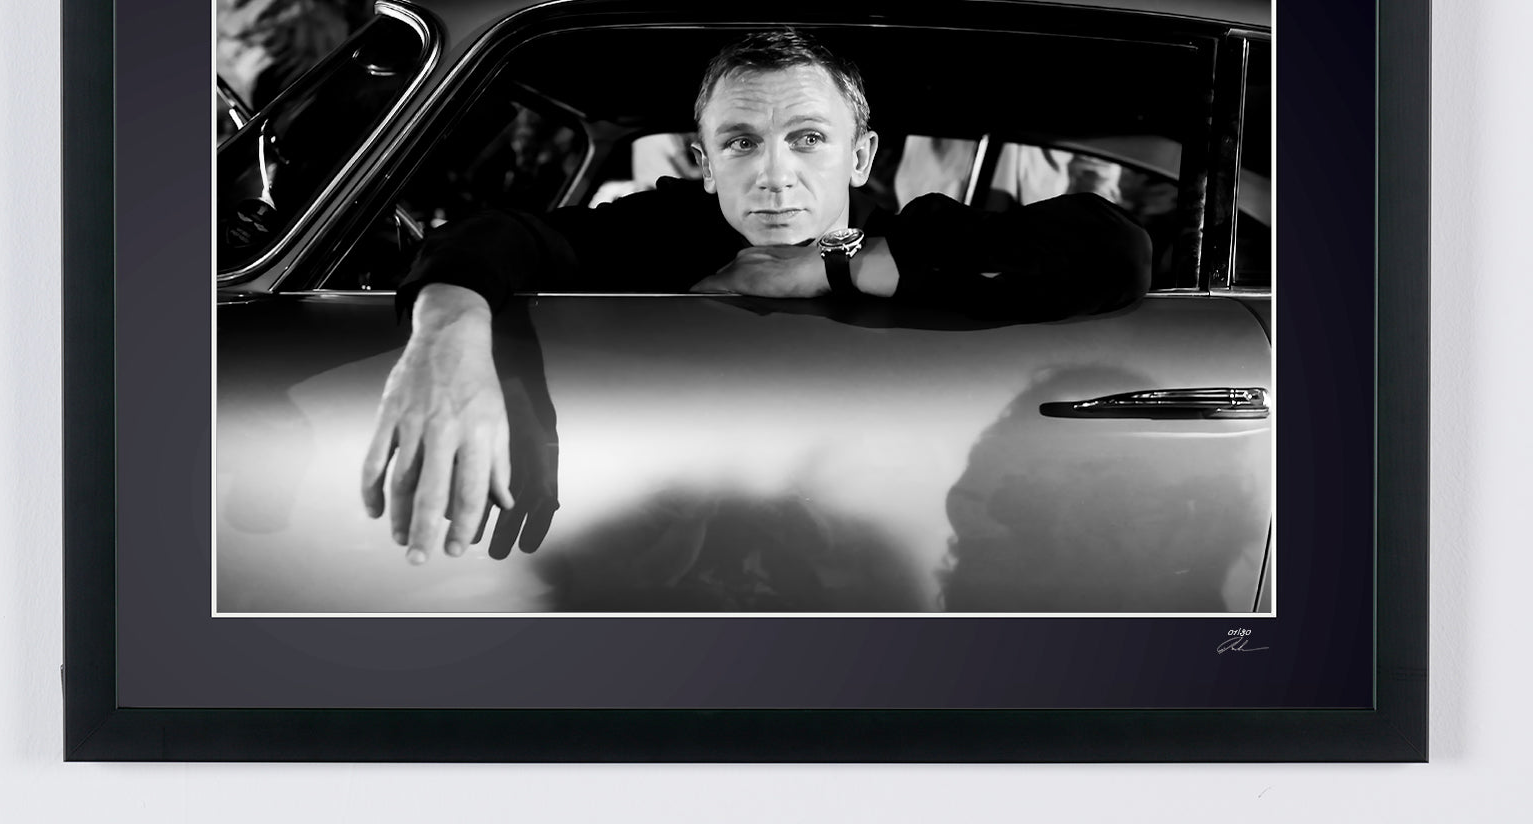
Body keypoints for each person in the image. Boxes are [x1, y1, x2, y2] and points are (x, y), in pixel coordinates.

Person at [361, 29, 1152, 564]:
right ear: (707, 163)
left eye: (808, 138)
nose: (775, 175)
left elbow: (1112, 248)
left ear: (860, 156)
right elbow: (507, 234)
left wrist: (831, 268)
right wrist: (447, 330)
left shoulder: (915, 237)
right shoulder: (668, 229)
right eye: (742, 143)